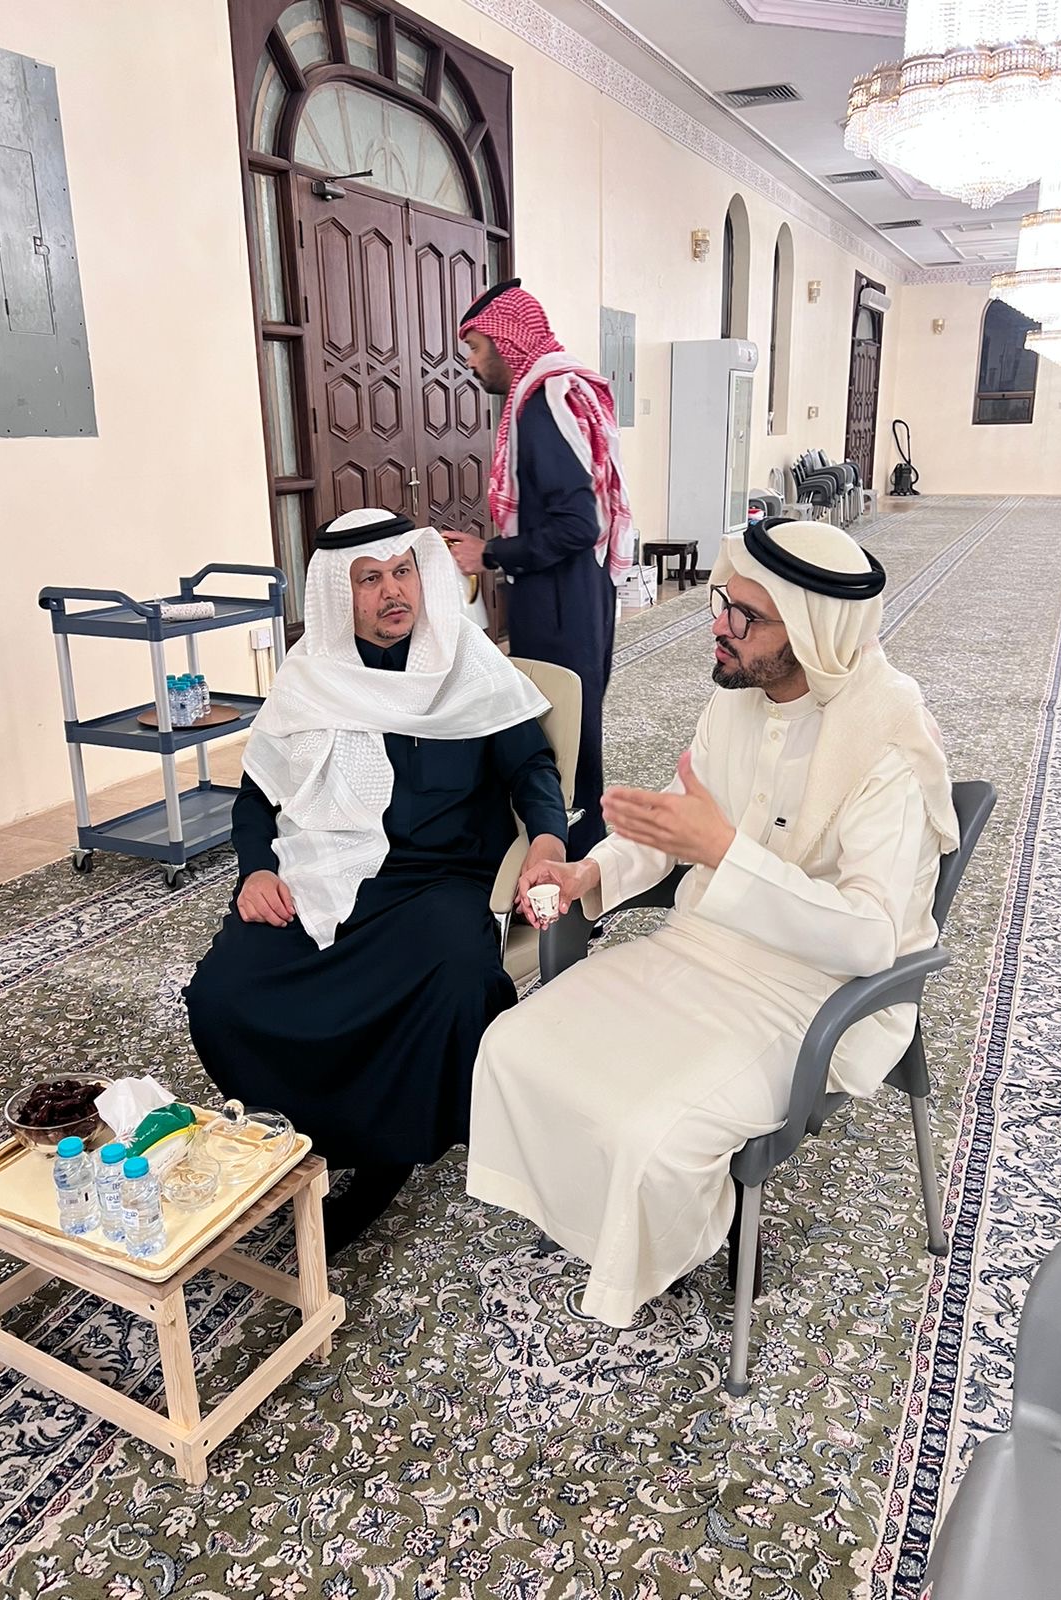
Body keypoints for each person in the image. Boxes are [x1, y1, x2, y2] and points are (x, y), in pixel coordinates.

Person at [467, 518, 959, 1327]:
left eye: (745, 617)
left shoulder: (885, 745)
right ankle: (600, 1222)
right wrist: (592, 871)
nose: (718, 626)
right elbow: (671, 829)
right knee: (512, 1045)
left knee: (648, 1132)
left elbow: (871, 937)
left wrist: (727, 854)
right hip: (701, 946)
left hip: (812, 993)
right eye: (723, 602)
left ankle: (673, 1245)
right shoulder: (737, 700)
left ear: (810, 633)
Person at [184, 509, 569, 1252]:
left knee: (454, 981)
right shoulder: (311, 676)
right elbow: (257, 797)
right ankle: (309, 1138)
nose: (393, 591)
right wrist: (256, 869)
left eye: (403, 572)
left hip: (441, 878)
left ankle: (388, 1150)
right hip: (327, 870)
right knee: (226, 991)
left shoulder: (467, 660)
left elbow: (530, 766)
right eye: (370, 579)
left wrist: (548, 839)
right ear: (340, 592)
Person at [444, 280, 634, 854]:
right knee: (575, 721)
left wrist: (489, 554)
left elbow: (577, 524)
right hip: (576, 592)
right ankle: (578, 844)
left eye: (475, 347)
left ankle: (573, 853)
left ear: (506, 341)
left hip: (559, 598)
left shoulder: (542, 404)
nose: (472, 362)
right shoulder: (555, 390)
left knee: (562, 726)